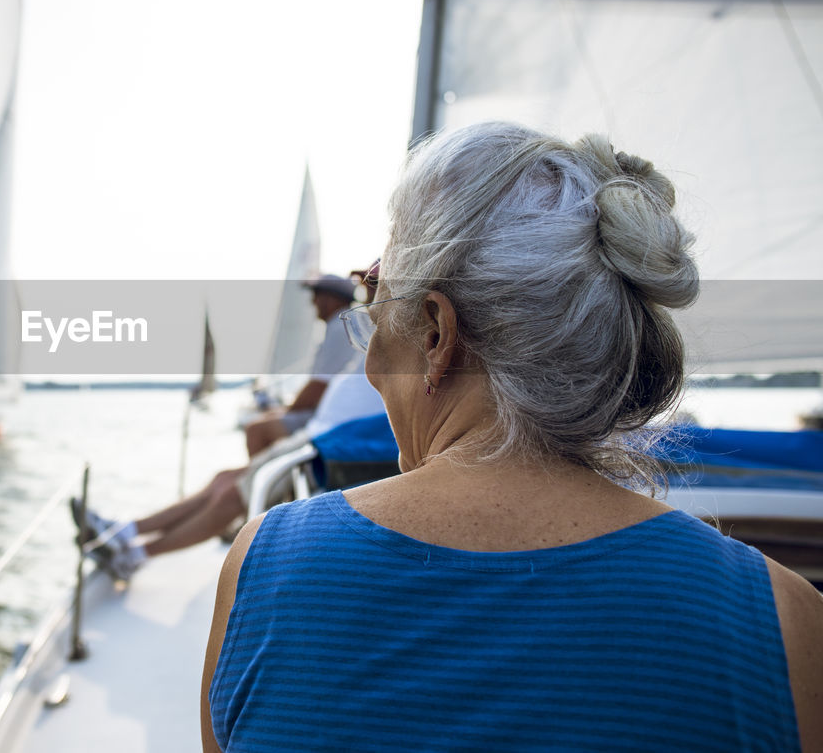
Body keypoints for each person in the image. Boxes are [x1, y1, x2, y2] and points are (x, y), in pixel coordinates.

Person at [202, 123, 823, 751]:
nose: (370, 361)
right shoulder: (783, 620)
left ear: (436, 333)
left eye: (377, 311)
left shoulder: (268, 568)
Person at [73, 264, 386, 580]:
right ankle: (126, 532)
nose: (367, 291)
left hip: (328, 443)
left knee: (229, 491)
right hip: (322, 436)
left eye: (375, 283)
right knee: (223, 479)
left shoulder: (352, 327)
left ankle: (134, 553)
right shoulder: (364, 328)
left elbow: (319, 389)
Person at [243, 273, 361, 457]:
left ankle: (261, 479)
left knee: (256, 430)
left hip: (330, 418)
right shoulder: (347, 324)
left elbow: (317, 388)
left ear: (330, 299)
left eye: (316, 296)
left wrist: (286, 410)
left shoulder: (340, 327)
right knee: (265, 421)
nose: (312, 303)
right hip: (334, 413)